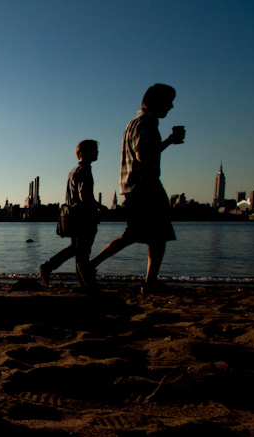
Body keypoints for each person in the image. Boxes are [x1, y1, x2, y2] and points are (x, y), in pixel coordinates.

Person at [89, 84, 185, 294]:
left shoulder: (134, 122)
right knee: (154, 235)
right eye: (169, 102)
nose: (171, 107)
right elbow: (143, 154)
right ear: (158, 101)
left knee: (140, 235)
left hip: (135, 187)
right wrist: (169, 141)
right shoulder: (146, 122)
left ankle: (92, 266)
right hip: (145, 186)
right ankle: (149, 282)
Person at [40, 140, 104, 291]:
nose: (97, 152)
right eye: (93, 150)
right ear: (83, 152)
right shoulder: (85, 171)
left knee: (76, 249)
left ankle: (49, 267)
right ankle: (87, 285)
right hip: (84, 217)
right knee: (82, 252)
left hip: (73, 216)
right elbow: (84, 195)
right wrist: (100, 206)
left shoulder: (73, 171)